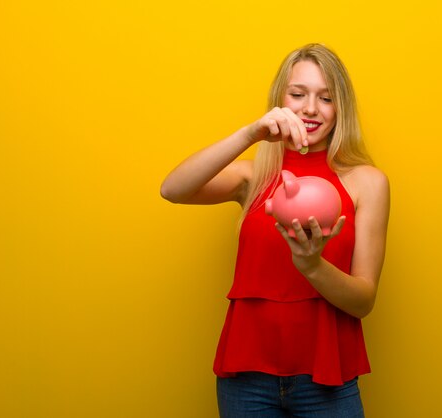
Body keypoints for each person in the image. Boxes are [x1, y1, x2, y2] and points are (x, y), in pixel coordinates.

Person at [160, 43, 390, 418]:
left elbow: (363, 301)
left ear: (341, 108)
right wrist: (250, 134)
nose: (310, 108)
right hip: (246, 380)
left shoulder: (367, 183)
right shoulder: (255, 176)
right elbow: (173, 189)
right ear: (280, 100)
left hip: (327, 380)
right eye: (298, 94)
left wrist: (313, 266)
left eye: (326, 98)